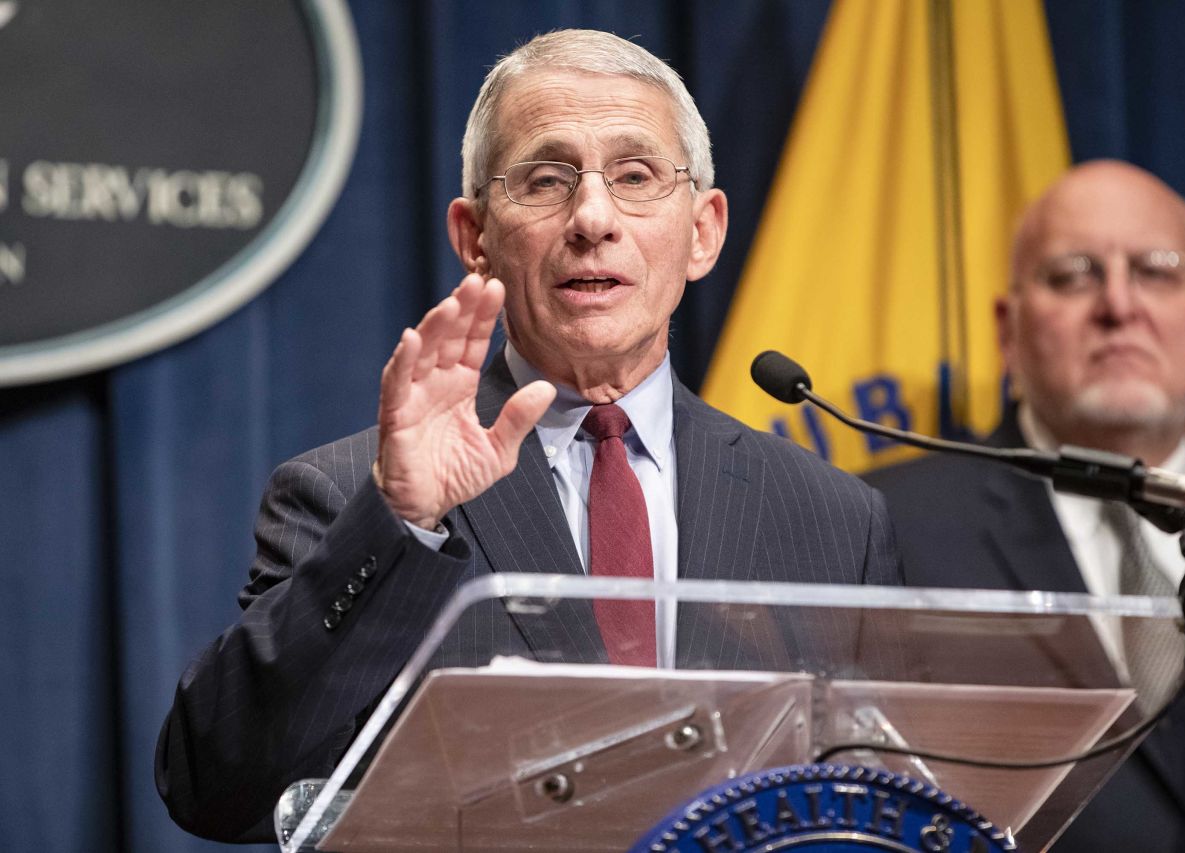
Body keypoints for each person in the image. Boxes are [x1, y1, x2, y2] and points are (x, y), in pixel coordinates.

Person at [156, 29, 902, 843]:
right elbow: (219, 786)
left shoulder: (834, 520)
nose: (592, 217)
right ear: (476, 237)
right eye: (546, 181)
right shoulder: (349, 497)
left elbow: (888, 801)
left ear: (702, 231)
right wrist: (401, 519)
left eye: (637, 175)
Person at [867, 160, 1185, 851]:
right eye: (1073, 275)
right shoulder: (881, 526)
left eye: (1156, 270)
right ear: (1008, 331)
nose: (1119, 305)